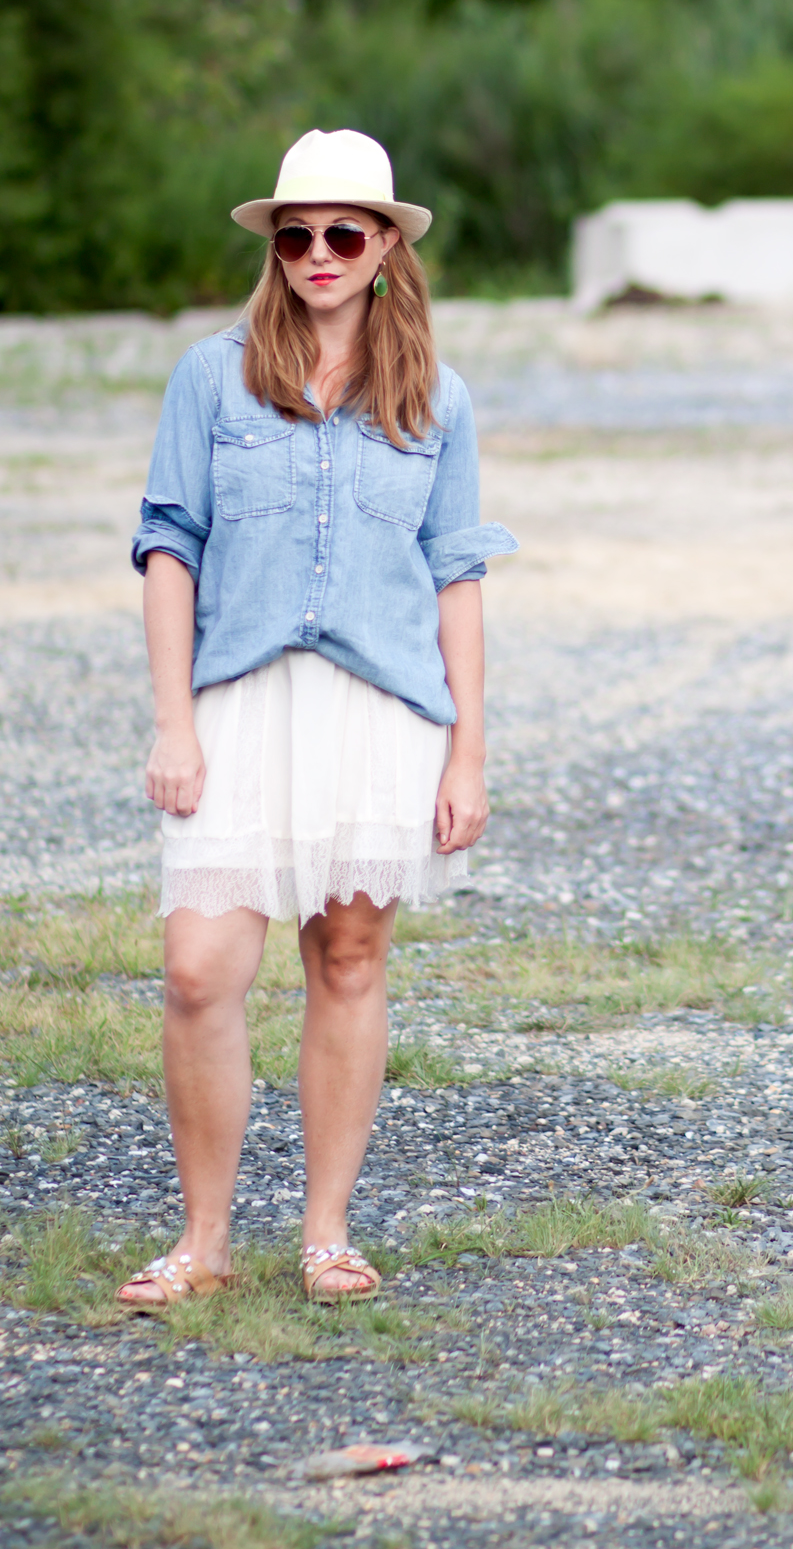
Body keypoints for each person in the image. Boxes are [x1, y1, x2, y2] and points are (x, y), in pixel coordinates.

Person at [115, 129, 516, 1310]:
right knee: (199, 970)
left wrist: (469, 751)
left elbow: (456, 574)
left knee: (347, 960)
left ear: (387, 245)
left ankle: (326, 1237)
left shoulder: (437, 399)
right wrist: (174, 722)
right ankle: (202, 1242)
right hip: (239, 703)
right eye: (296, 237)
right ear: (275, 248)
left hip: (379, 711)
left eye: (344, 233)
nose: (319, 254)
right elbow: (169, 548)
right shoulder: (212, 378)